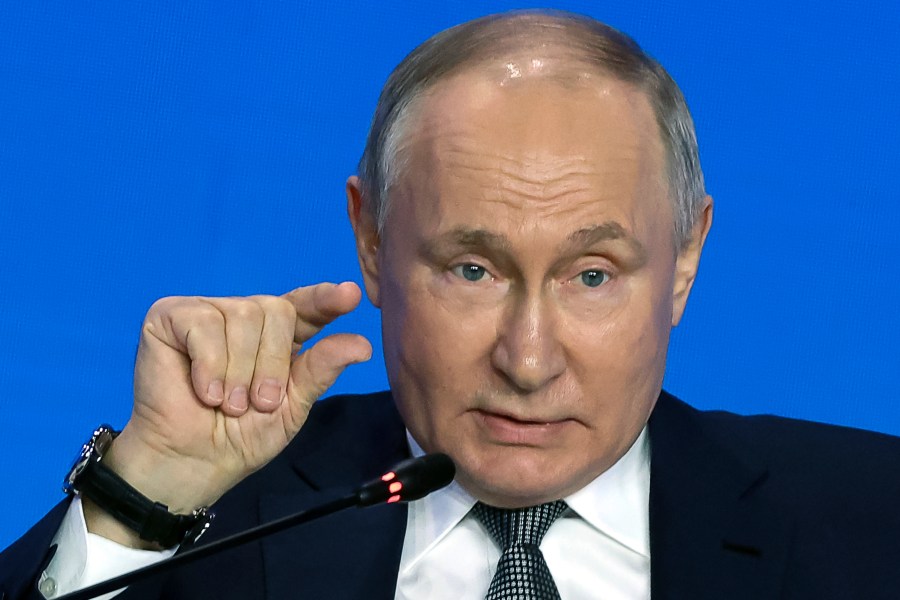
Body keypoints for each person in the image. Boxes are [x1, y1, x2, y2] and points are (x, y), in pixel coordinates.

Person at [2, 9, 899, 600]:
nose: (530, 359)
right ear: (372, 238)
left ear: (685, 259)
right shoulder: (219, 515)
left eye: (592, 275)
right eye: (473, 269)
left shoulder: (874, 520)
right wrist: (142, 502)